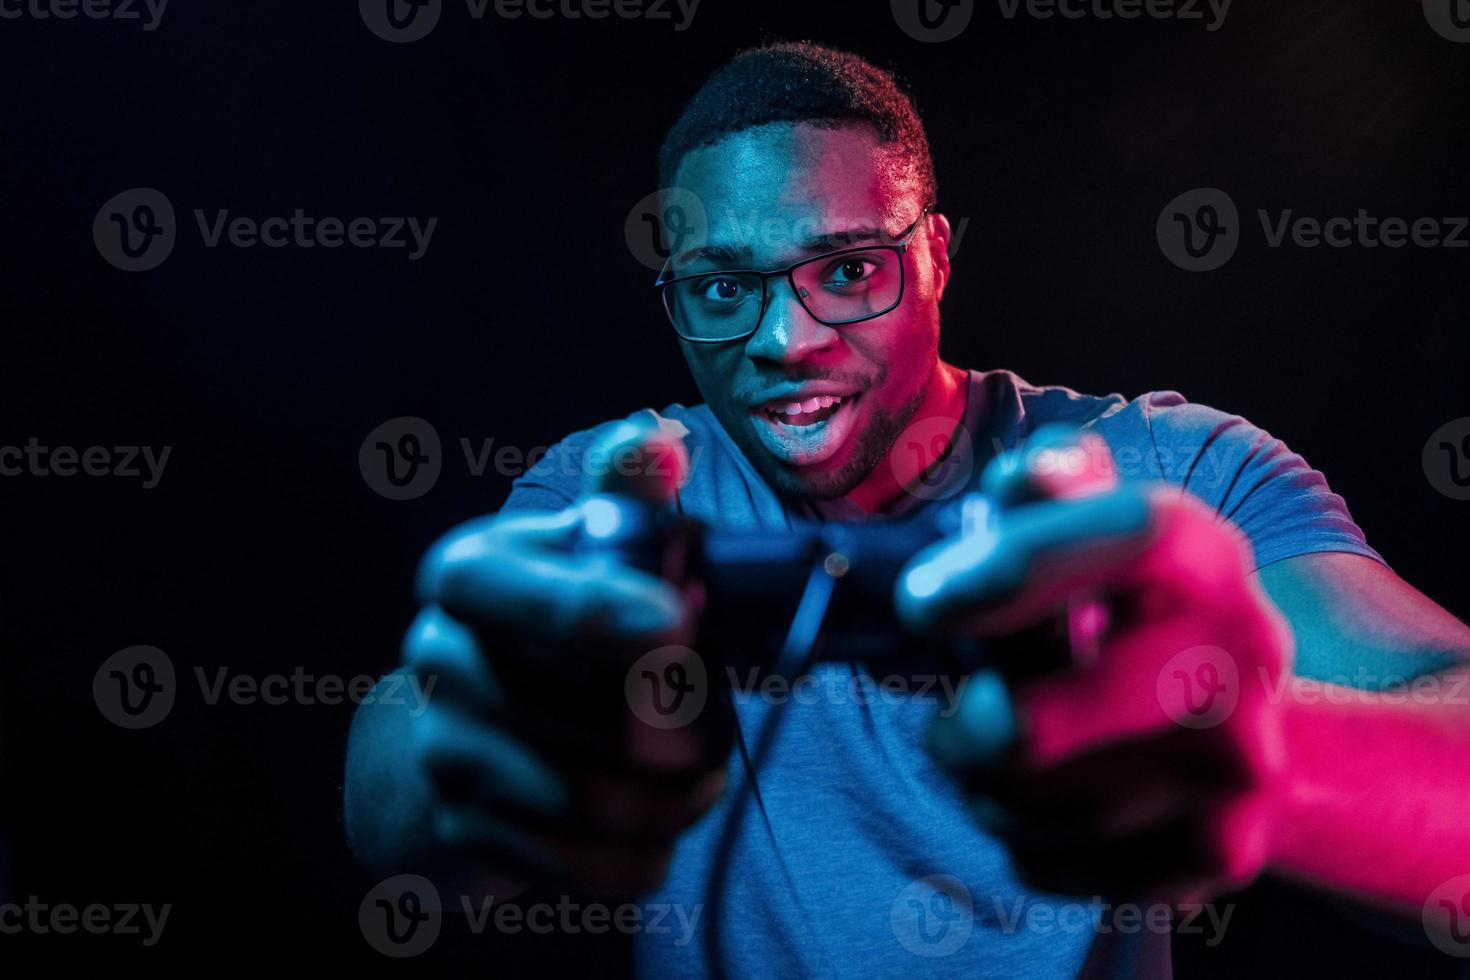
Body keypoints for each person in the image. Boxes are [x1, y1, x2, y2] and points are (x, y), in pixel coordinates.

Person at [344, 42, 1470, 977]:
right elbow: (392, 801)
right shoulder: (623, 491)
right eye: (725, 288)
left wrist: (1264, 750)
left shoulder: (1167, 471)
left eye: (847, 269)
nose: (786, 343)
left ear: (934, 257)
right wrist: (491, 735)